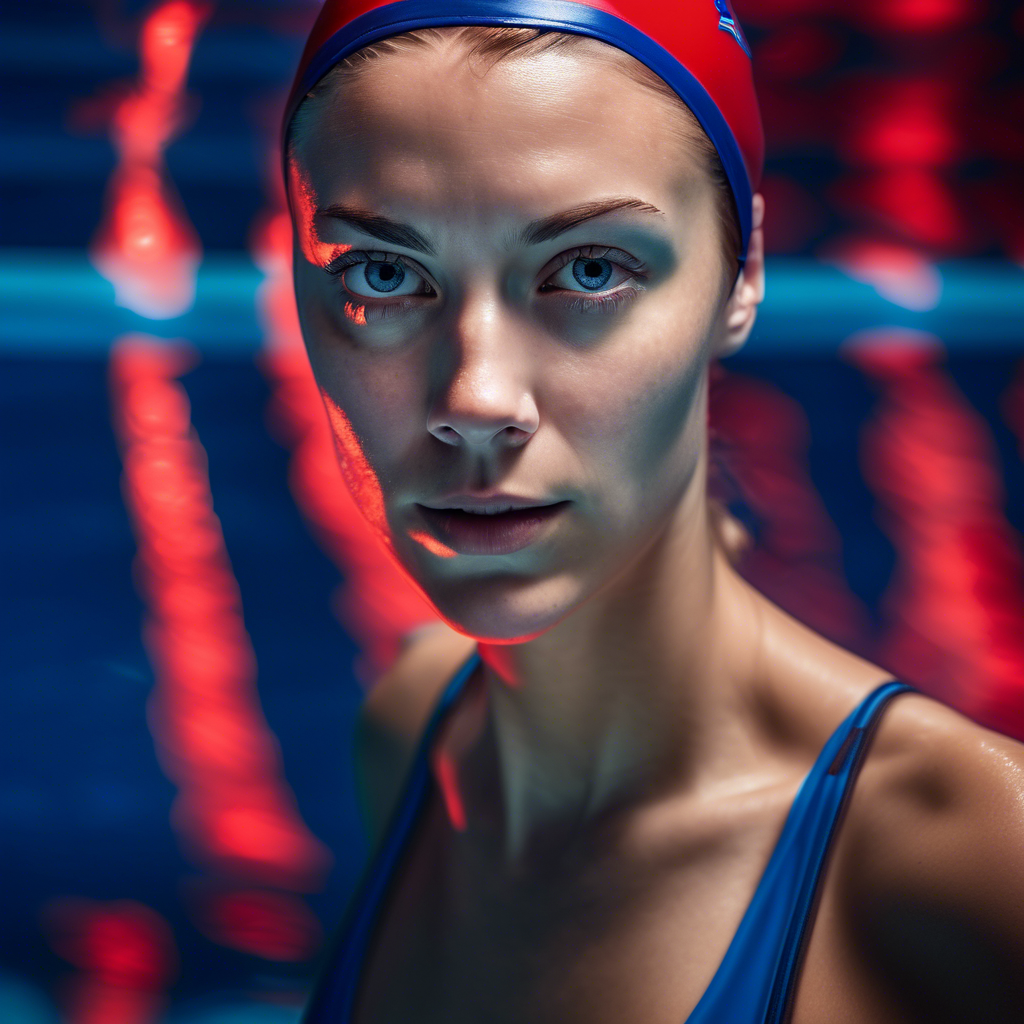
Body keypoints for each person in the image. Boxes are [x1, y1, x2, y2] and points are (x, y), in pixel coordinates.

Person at [281, 2, 1024, 1020]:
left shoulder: (970, 854)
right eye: (384, 275)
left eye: (590, 270)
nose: (477, 399)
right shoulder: (411, 731)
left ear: (741, 273)